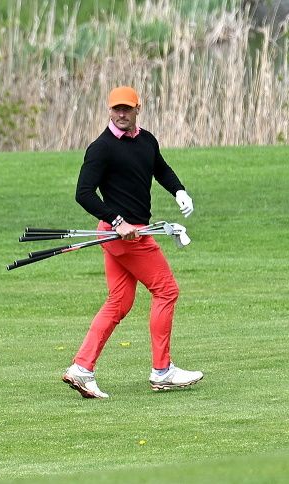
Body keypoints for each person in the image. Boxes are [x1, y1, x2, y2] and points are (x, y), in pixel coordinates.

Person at [62, 86, 203, 398]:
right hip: (124, 235)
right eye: (116, 109)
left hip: (129, 233)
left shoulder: (147, 140)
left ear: (138, 108)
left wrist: (179, 190)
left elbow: (160, 168)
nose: (121, 114)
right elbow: (83, 194)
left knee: (119, 302)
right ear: (109, 110)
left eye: (127, 108)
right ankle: (162, 370)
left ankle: (81, 368)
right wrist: (117, 221)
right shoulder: (101, 148)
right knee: (166, 290)